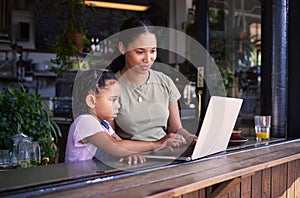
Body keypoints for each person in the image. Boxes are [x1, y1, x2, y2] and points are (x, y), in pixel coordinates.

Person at [65, 69, 185, 164]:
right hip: (76, 182)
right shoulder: (85, 121)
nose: (118, 106)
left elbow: (120, 143)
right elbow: (115, 146)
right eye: (113, 100)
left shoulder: (103, 124)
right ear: (91, 101)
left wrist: (129, 154)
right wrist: (157, 144)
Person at [110, 17, 198, 144]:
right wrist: (134, 150)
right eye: (140, 52)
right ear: (122, 48)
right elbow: (109, 135)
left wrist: (190, 138)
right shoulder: (109, 87)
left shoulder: (165, 82)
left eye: (153, 51)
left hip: (166, 155)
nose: (148, 59)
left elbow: (176, 129)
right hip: (132, 158)